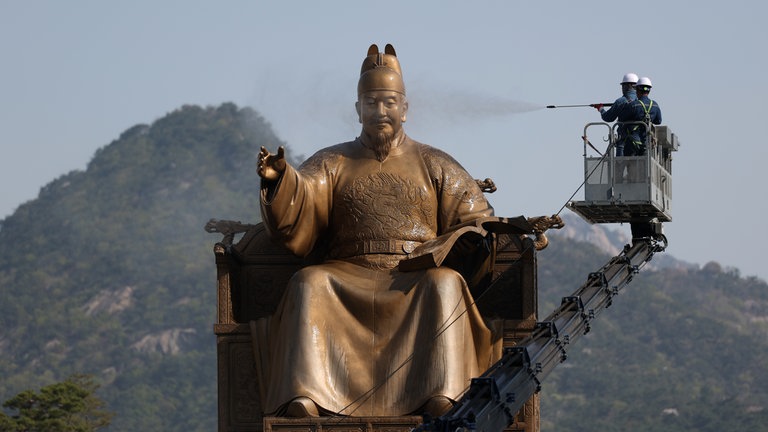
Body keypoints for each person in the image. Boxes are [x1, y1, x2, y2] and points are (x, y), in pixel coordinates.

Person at [255, 44, 502, 418]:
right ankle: (307, 396)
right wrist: (280, 181)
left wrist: (467, 235)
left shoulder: (436, 162)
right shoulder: (332, 161)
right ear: (358, 110)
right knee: (309, 283)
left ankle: (442, 392)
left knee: (445, 284)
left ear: (405, 109)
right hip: (347, 272)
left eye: (389, 102)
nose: (380, 111)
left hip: (415, 274)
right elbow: (303, 199)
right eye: (371, 103)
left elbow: (476, 216)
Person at [592, 72, 638, 156]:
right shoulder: (641, 102)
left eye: (623, 86)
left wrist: (601, 109)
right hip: (639, 144)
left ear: (627, 86)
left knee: (619, 169)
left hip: (623, 143)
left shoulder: (621, 101)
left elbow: (608, 117)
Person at [625, 76, 662, 156]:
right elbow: (658, 121)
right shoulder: (655, 105)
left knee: (630, 165)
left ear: (638, 90)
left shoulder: (633, 105)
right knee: (644, 166)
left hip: (632, 142)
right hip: (646, 143)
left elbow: (623, 118)